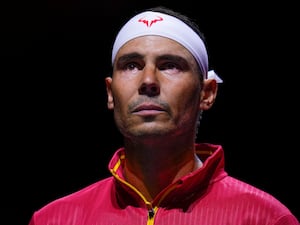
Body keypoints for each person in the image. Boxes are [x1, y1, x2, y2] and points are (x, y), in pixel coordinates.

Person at [28, 6, 299, 225]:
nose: (148, 80)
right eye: (132, 65)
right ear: (111, 92)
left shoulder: (264, 219)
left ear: (207, 93)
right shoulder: (55, 219)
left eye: (170, 65)